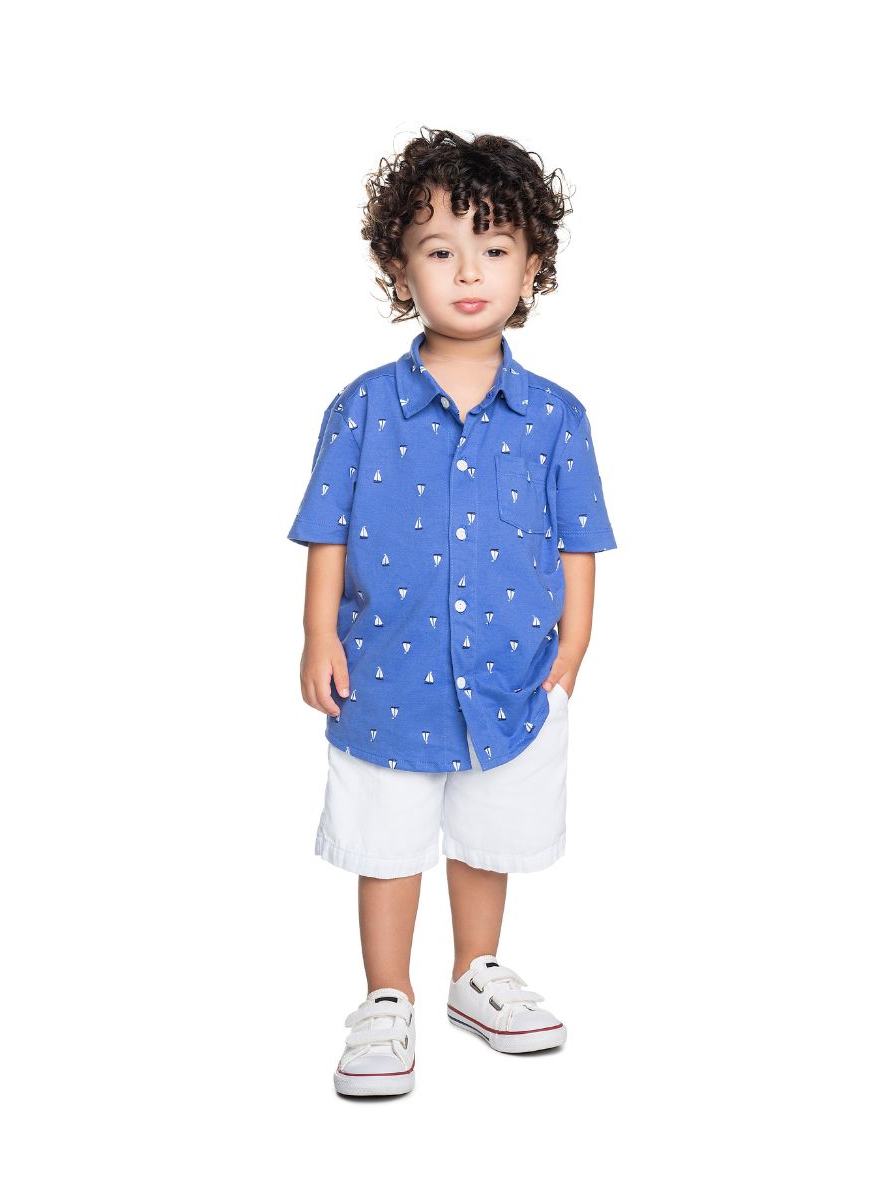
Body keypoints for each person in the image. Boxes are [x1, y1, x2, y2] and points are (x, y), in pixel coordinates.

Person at [286, 128, 618, 1097]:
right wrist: (316, 633)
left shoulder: (557, 416)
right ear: (400, 269)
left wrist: (577, 637)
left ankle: (477, 974)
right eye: (440, 250)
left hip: (512, 677)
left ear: (533, 266)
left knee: (489, 832)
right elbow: (326, 531)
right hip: (384, 675)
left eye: (495, 247)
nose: (469, 272)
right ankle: (384, 997)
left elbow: (579, 539)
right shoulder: (361, 407)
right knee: (386, 841)